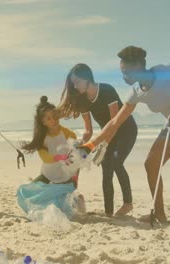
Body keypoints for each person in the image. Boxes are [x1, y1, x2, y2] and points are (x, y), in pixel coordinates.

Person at [81, 46, 170, 225]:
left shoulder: (165, 72)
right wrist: (91, 145)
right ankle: (160, 215)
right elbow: (115, 122)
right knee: (151, 164)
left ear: (139, 66)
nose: (124, 78)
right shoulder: (135, 92)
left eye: (127, 73)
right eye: (122, 73)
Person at [58, 63, 138, 217]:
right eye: (73, 83)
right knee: (106, 170)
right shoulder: (83, 101)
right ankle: (109, 213)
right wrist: (81, 146)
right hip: (107, 134)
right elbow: (88, 130)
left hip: (126, 130)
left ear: (87, 78)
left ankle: (128, 203)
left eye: (77, 82)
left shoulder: (107, 90)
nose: (75, 86)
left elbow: (115, 122)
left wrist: (101, 145)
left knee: (116, 161)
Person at [18, 96, 85, 216]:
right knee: (27, 192)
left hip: (65, 176)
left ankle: (78, 199)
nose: (53, 120)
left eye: (55, 117)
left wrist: (75, 176)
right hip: (47, 175)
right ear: (43, 122)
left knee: (63, 198)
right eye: (49, 119)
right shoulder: (41, 138)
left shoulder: (69, 134)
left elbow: (76, 158)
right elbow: (45, 158)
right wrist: (58, 157)